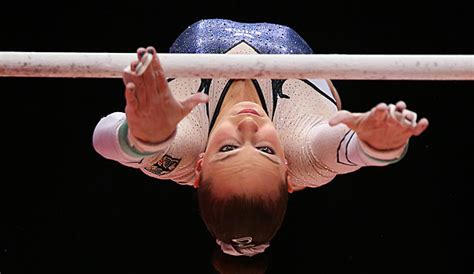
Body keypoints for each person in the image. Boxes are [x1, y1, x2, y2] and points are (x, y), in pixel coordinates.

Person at [92, 19, 429, 257]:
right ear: (288, 171)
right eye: (266, 149)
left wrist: (143, 138)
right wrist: (380, 145)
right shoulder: (307, 156)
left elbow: (103, 140)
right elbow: (351, 152)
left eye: (227, 148)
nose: (248, 129)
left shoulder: (176, 154)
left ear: (198, 168)